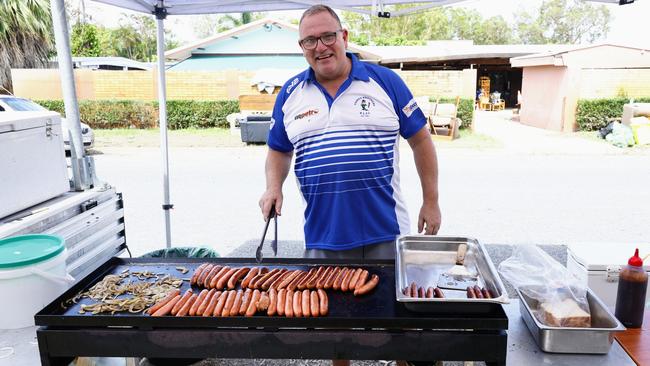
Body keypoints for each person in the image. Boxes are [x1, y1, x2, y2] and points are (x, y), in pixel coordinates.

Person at [258, 5, 441, 366]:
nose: (320, 46)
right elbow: (278, 151)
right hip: (324, 234)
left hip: (385, 229)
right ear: (301, 46)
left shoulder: (384, 82)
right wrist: (272, 187)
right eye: (310, 40)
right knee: (334, 327)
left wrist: (431, 201)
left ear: (344, 37)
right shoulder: (291, 92)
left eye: (328, 36)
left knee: (396, 320)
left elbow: (422, 140)